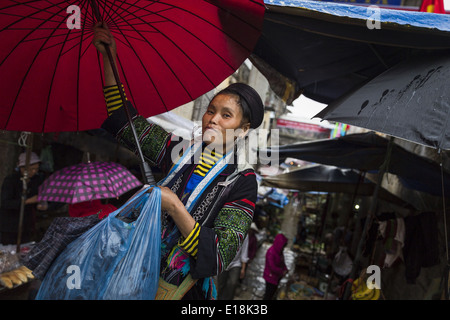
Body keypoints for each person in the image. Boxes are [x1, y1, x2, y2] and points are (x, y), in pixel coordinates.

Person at [92, 23, 264, 300]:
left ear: (243, 130)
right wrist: (108, 58)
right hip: (132, 272)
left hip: (179, 291)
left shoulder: (242, 182)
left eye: (226, 115)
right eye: (211, 111)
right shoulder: (179, 151)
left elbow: (219, 254)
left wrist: (172, 205)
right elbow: (127, 124)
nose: (213, 119)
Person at [0, 152, 45, 245]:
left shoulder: (36, 180)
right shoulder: (11, 180)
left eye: (36, 169)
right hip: (9, 225)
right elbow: (5, 203)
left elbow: (37, 199)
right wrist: (27, 201)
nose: (34, 172)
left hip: (26, 224)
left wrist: (40, 206)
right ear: (22, 168)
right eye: (31, 169)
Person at [218, 235, 250, 300]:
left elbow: (244, 251)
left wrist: (243, 269)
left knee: (232, 283)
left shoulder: (245, 233)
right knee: (221, 284)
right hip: (223, 261)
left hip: (236, 263)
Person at [262, 233, 288, 300]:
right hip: (270, 277)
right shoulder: (271, 252)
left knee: (272, 293)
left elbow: (282, 262)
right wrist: (282, 272)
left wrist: (285, 269)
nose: (283, 248)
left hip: (276, 277)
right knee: (268, 294)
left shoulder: (279, 252)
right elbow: (272, 267)